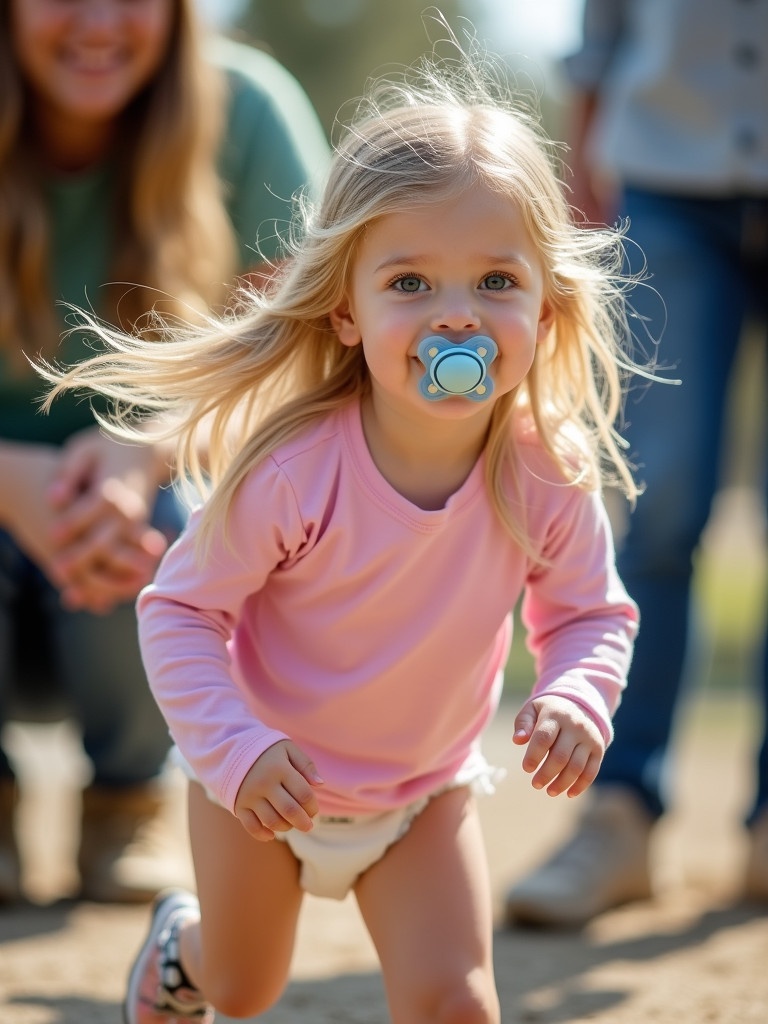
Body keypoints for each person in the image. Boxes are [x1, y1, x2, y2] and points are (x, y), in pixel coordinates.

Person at [40, 31, 643, 1023]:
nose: (459, 317)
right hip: (259, 790)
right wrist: (234, 749)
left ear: (546, 308)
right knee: (242, 986)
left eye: (497, 281)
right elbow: (181, 610)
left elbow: (590, 612)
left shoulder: (545, 470)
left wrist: (579, 691)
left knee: (457, 1002)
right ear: (348, 310)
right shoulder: (292, 470)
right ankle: (180, 949)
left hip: (421, 796)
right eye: (410, 283)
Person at [0, 0, 329, 905]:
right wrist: (10, 480)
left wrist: (141, 450)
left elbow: (298, 360)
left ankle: (128, 797)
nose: (99, 20)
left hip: (135, 556)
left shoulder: (250, 112)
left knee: (178, 521)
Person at [505, 0, 768, 928]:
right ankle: (622, 808)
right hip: (663, 176)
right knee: (660, 505)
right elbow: (604, 30)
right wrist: (581, 182)